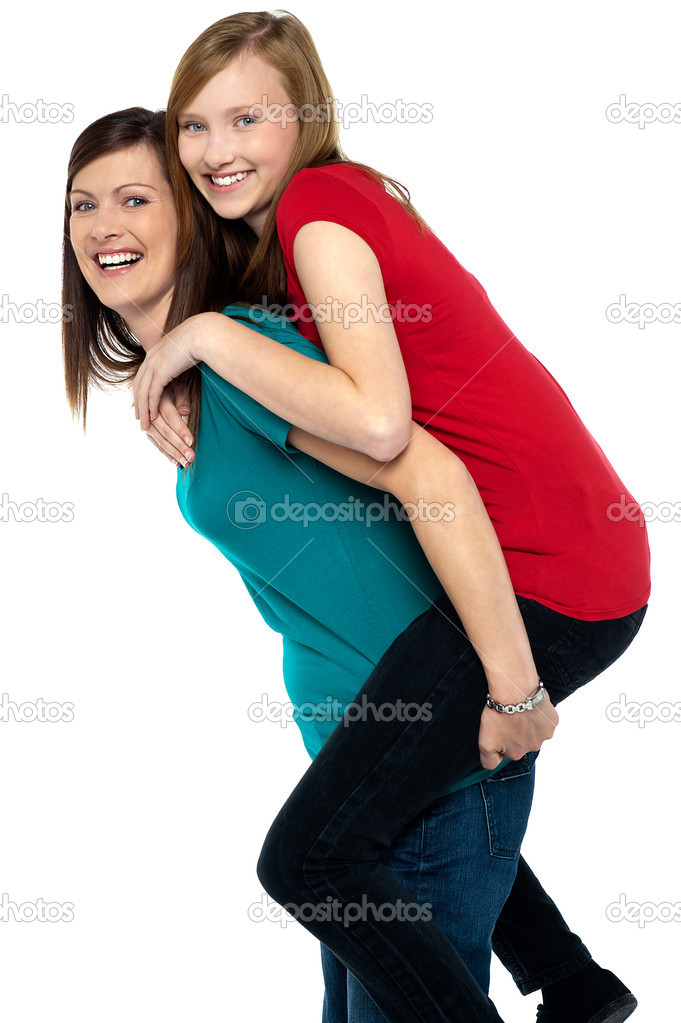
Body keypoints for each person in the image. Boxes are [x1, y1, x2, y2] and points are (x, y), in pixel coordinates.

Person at [64, 107, 646, 1023]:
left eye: (135, 198)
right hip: (372, 763)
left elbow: (426, 472)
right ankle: (574, 981)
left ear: (189, 213)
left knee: (303, 868)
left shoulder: (241, 354)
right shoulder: (195, 385)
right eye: (83, 204)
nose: (105, 227)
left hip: (435, 780)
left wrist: (510, 686)